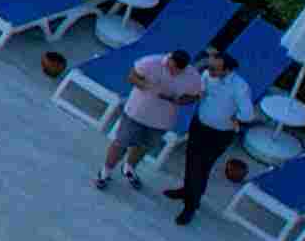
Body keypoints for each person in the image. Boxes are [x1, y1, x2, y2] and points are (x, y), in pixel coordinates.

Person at [97, 44, 211, 193]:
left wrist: (178, 100)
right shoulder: (151, 62)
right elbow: (131, 76)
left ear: (184, 68)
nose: (173, 72)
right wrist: (146, 86)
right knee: (120, 144)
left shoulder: (193, 76)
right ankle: (105, 172)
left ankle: (129, 168)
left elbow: (195, 96)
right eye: (171, 68)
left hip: (162, 122)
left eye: (177, 71)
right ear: (169, 59)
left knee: (144, 146)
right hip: (136, 113)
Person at [176, 39, 257, 224]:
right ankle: (186, 191)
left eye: (214, 69)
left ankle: (190, 206)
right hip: (199, 125)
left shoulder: (240, 87)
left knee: (202, 167)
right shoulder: (208, 75)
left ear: (227, 70)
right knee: (191, 160)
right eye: (209, 67)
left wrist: (234, 118)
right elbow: (202, 91)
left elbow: (248, 114)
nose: (209, 71)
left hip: (219, 135)